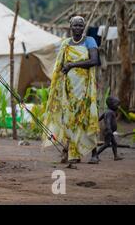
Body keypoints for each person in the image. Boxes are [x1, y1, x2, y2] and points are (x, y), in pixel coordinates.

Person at [43, 16, 100, 167]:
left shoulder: (90, 41)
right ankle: (70, 151)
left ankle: (94, 154)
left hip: (85, 87)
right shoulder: (65, 44)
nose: (78, 28)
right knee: (69, 119)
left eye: (81, 25)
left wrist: (73, 65)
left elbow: (94, 60)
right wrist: (58, 83)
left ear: (84, 27)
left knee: (87, 116)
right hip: (69, 89)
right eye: (75, 25)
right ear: (70, 27)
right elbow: (60, 66)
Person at [89, 96, 123, 163]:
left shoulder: (109, 111)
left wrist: (96, 121)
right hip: (108, 131)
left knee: (114, 143)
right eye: (117, 105)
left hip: (110, 131)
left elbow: (100, 118)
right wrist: (109, 129)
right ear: (111, 105)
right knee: (106, 144)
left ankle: (116, 156)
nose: (118, 107)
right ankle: (95, 155)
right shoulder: (109, 112)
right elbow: (108, 121)